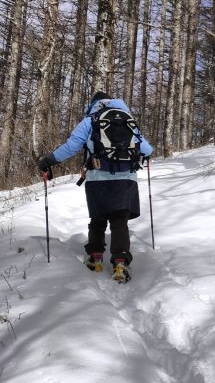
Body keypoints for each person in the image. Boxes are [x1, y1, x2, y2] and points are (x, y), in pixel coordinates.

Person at [37, 91, 153, 284]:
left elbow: (71, 147)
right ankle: (121, 264)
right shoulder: (128, 119)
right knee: (119, 221)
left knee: (98, 218)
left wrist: (48, 160)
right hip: (126, 179)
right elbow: (147, 149)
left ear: (93, 105)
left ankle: (95, 258)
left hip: (97, 178)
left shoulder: (90, 121)